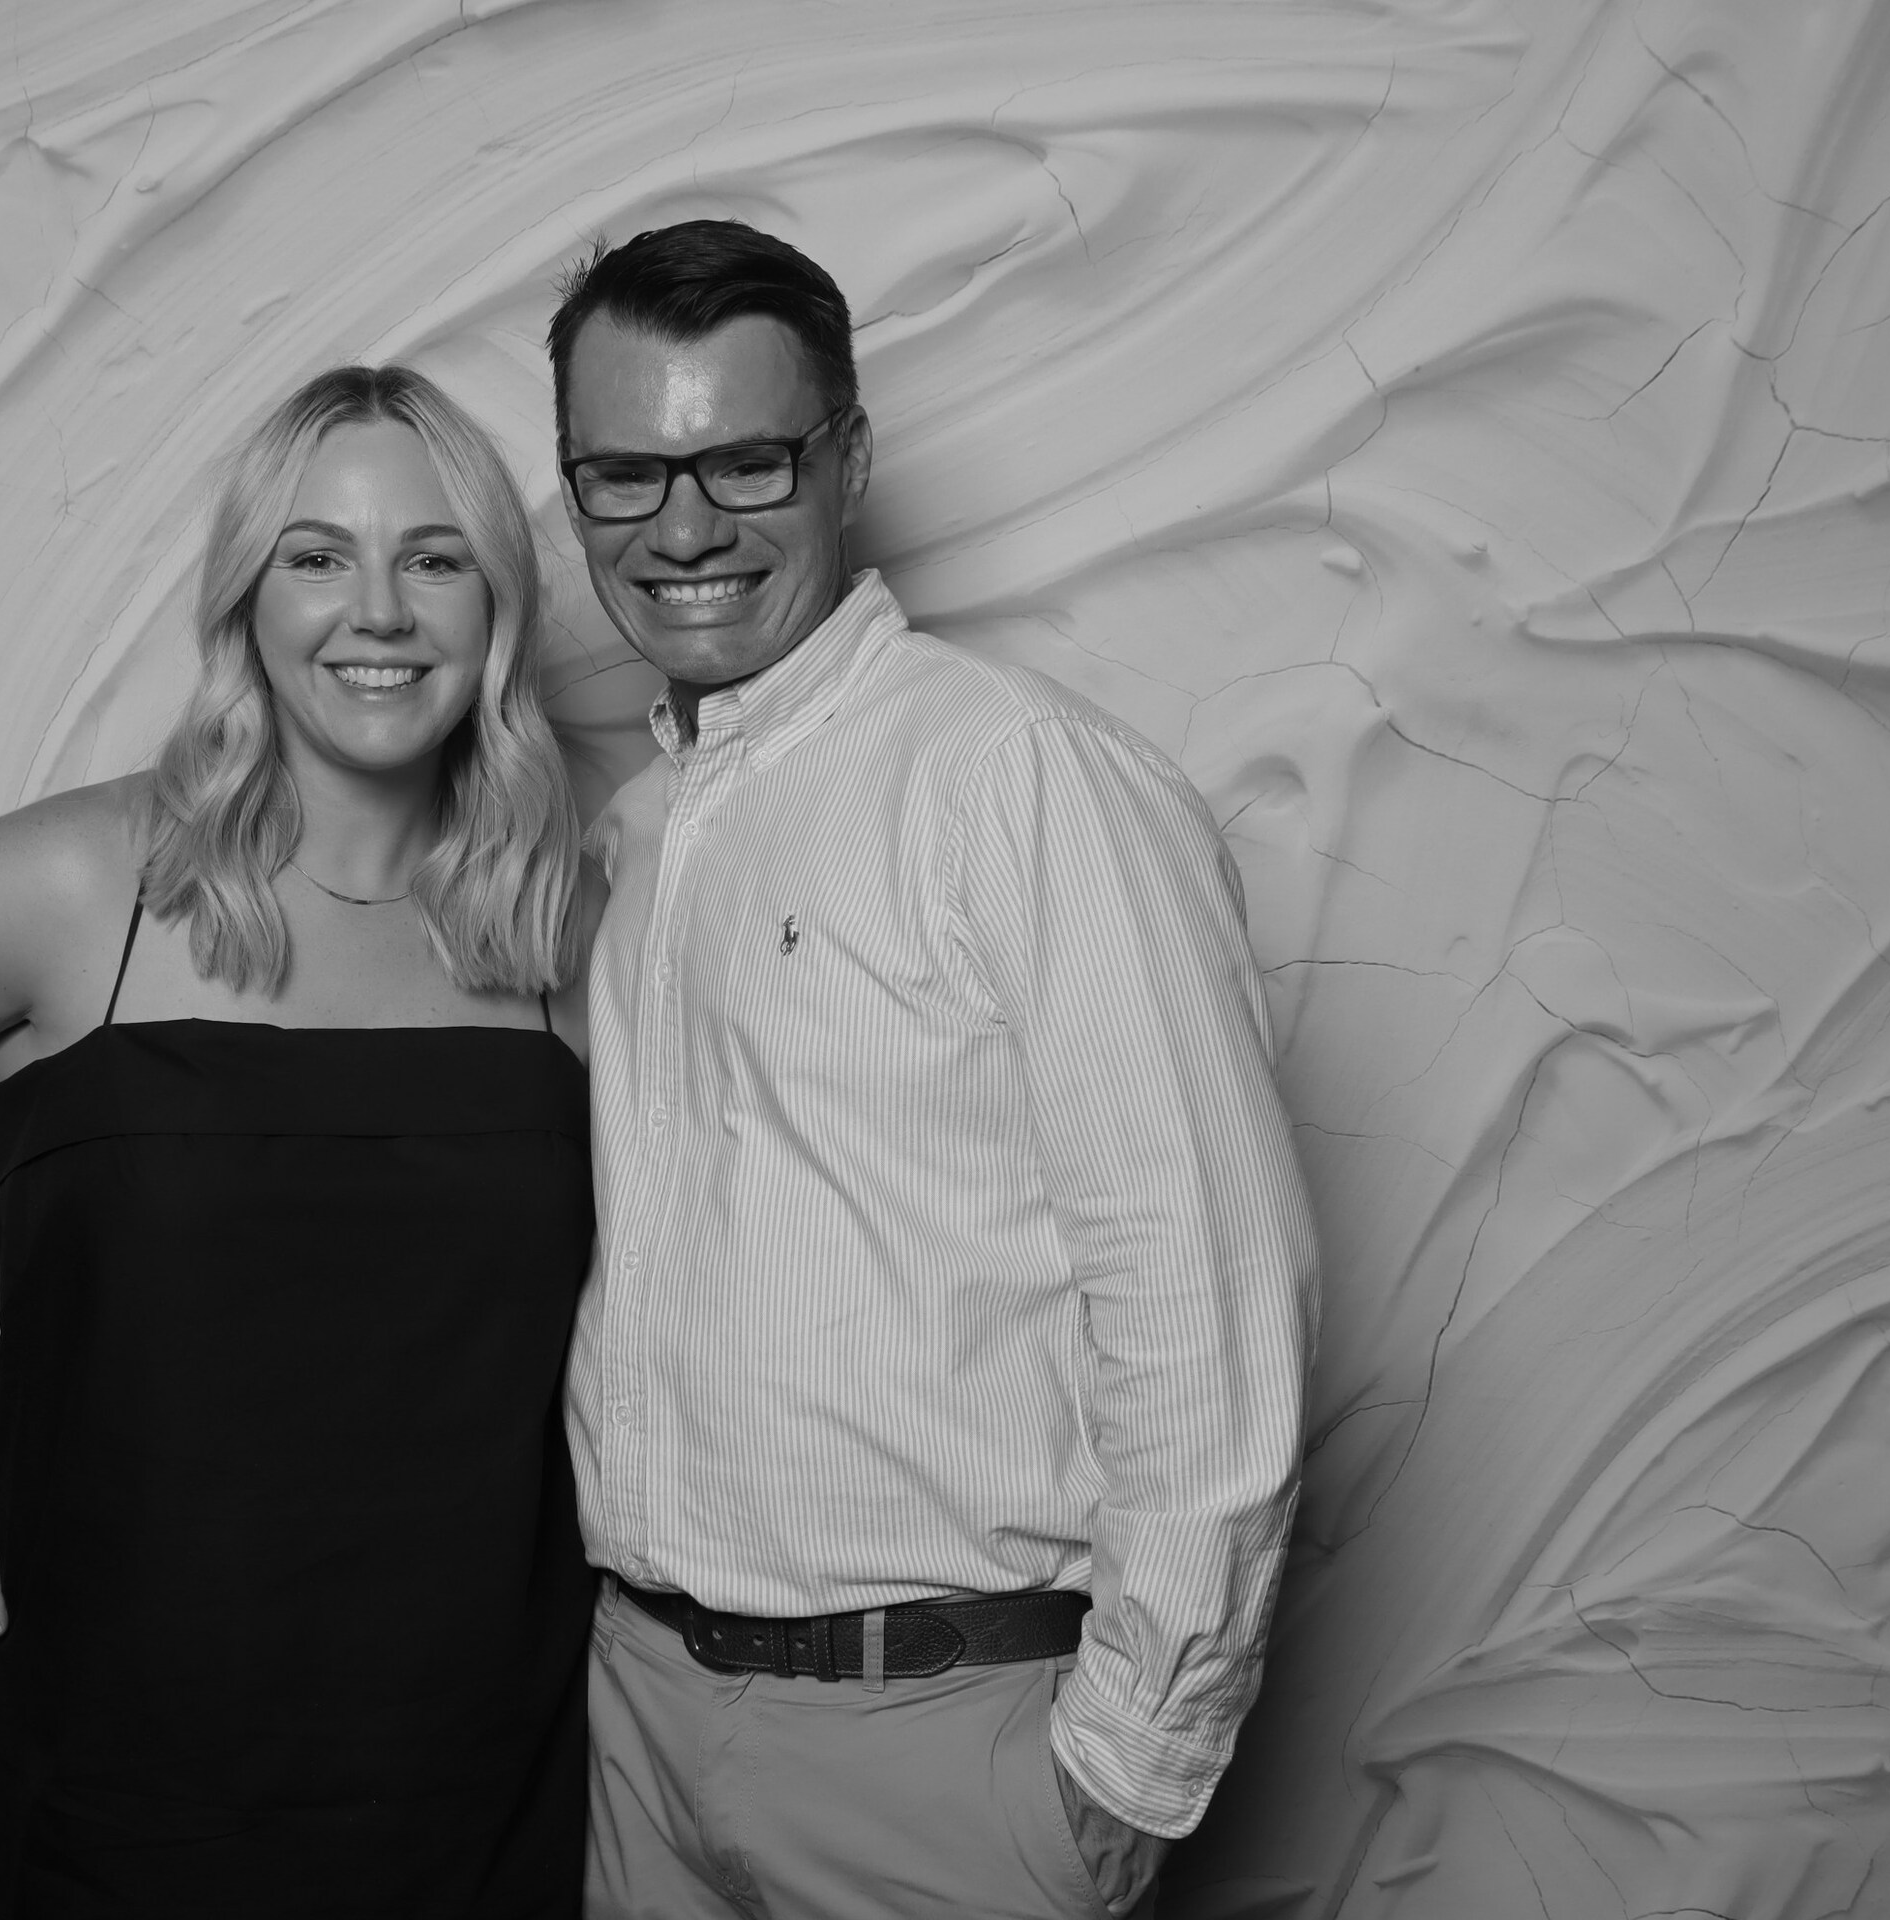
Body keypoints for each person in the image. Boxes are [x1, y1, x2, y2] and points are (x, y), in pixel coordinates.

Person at [0, 365, 597, 1917]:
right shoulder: (84, 890)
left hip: (485, 1761)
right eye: (316, 555)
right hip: (131, 1755)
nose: (378, 610)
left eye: (434, 558)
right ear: (246, 601)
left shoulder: (564, 928)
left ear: (495, 604)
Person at [551, 221, 1319, 1919]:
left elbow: (1203, 1279)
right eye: (625, 475)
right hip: (637, 1726)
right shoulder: (635, 838)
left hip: (938, 1744)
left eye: (747, 460)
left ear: (849, 460)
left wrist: (1128, 1761)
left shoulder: (1014, 777)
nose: (684, 527)